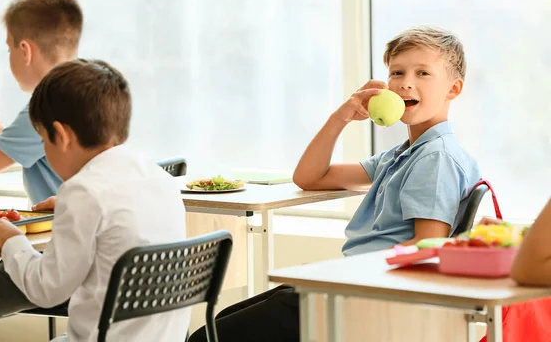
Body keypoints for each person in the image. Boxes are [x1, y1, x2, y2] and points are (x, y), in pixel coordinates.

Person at [188, 26, 482, 342]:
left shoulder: (435, 159)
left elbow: (427, 248)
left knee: (208, 337)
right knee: (218, 325)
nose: (405, 82)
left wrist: (335, 274)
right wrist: (342, 115)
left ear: (453, 88)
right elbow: (310, 177)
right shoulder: (404, 155)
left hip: (368, 297)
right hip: (353, 285)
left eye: (423, 72)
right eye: (397, 72)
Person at [0, 59, 190, 342]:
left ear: (61, 135)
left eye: (45, 140)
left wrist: (9, 238)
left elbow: (46, 290)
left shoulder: (83, 192)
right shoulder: (158, 179)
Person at [0, 0, 83, 341]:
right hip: (78, 250)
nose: (8, 57)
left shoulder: (46, 104)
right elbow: (31, 153)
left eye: (8, 48)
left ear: (24, 50)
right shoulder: (83, 90)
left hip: (64, 260)